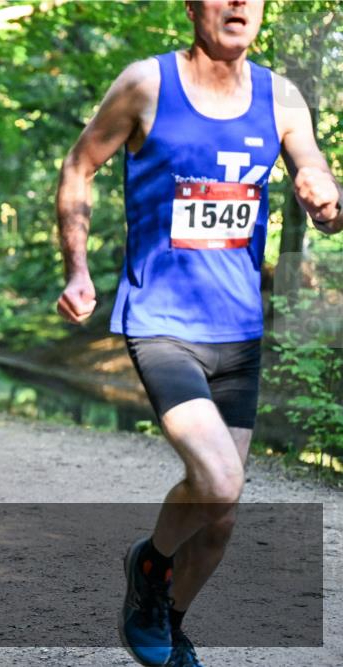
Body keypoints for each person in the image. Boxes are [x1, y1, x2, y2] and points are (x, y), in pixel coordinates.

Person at [54, 1, 342, 665]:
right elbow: (79, 166)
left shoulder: (282, 96)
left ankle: (172, 620)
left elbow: (318, 177)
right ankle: (150, 568)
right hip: (161, 320)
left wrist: (326, 197)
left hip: (238, 331)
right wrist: (77, 266)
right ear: (192, 6)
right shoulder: (146, 85)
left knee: (222, 516)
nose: (240, 2)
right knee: (217, 478)